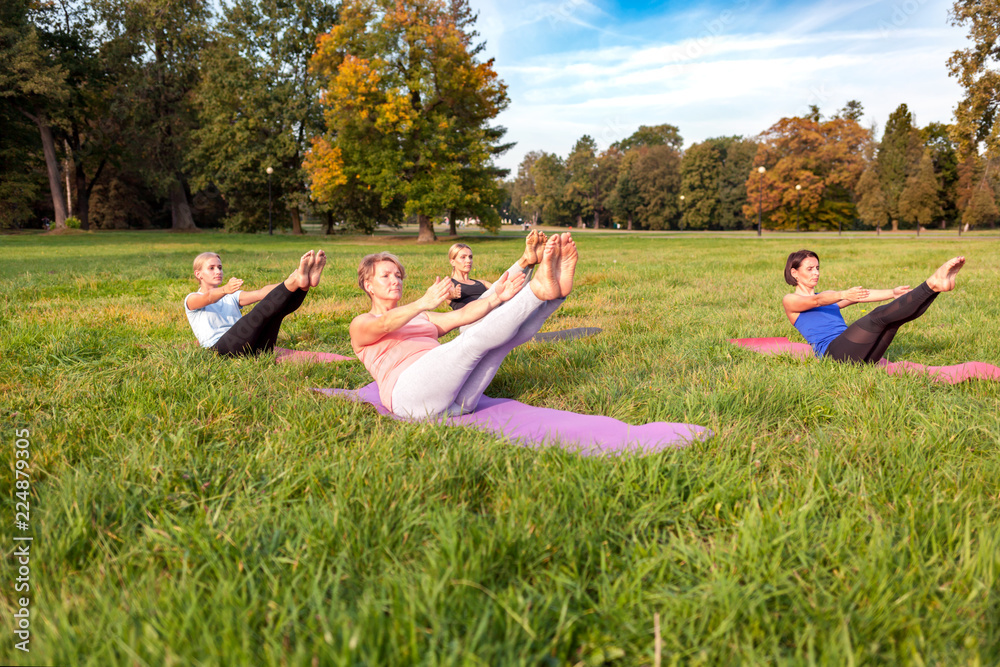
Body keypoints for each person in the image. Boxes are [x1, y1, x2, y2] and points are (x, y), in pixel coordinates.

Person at [350, 233, 578, 419]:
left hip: (457, 404)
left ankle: (552, 298)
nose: (395, 280)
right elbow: (386, 323)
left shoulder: (422, 317)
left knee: (498, 340)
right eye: (386, 276)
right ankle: (537, 291)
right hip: (408, 396)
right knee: (472, 340)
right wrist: (422, 302)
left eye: (398, 275)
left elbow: (467, 314)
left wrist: (499, 295)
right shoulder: (361, 323)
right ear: (368, 285)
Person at [781, 249, 966, 363]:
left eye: (817, 268)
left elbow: (863, 295)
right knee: (877, 317)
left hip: (860, 356)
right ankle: (931, 284)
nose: (816, 273)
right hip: (833, 356)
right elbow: (816, 301)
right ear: (794, 273)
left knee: (894, 321)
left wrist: (892, 293)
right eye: (810, 269)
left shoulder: (828, 296)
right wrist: (843, 294)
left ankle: (935, 289)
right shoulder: (790, 300)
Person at [184, 249, 326, 357]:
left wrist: (288, 284)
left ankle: (304, 284)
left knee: (276, 312)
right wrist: (225, 289)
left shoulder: (231, 296)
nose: (218, 271)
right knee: (259, 313)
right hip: (220, 350)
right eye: (211, 268)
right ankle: (297, 280)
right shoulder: (191, 299)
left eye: (220, 268)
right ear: (198, 274)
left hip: (253, 347)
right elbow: (208, 297)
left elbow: (261, 293)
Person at [446, 231, 547, 309]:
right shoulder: (450, 283)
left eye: (470, 257)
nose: (468, 261)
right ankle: (525, 259)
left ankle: (530, 264)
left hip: (492, 316)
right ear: (452, 261)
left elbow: (502, 291)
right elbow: (448, 293)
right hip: (470, 323)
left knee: (506, 290)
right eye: (463, 257)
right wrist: (453, 293)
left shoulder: (481, 283)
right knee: (494, 293)